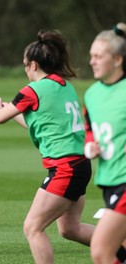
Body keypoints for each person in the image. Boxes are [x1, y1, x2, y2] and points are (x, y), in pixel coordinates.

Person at [0, 30, 96, 264]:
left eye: (25, 64)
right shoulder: (64, 86)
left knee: (32, 227)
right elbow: (40, 124)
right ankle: (120, 248)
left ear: (33, 64)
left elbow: (0, 117)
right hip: (80, 165)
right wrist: (10, 111)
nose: (24, 69)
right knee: (70, 229)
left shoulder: (32, 90)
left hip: (64, 167)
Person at [84, 22, 126, 264]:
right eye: (91, 55)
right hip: (109, 181)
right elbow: (91, 128)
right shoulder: (92, 94)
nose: (92, 61)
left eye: (99, 56)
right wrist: (90, 146)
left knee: (101, 251)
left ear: (118, 60)